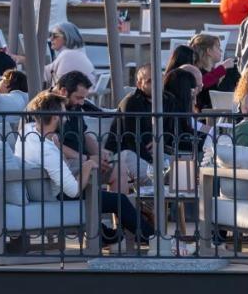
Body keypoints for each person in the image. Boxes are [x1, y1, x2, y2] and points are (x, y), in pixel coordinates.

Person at [16, 91, 162, 249]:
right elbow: (73, 191)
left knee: (110, 196)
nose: (66, 118)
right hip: (58, 195)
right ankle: (155, 239)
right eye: (63, 114)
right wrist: (87, 166)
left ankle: (107, 234)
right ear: (56, 117)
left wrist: (56, 144)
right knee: (120, 200)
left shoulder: (28, 132)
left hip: (41, 191)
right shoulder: (47, 151)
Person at [105, 66, 156, 191]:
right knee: (155, 177)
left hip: (147, 152)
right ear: (139, 83)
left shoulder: (163, 100)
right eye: (150, 81)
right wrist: (151, 160)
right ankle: (154, 209)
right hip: (124, 153)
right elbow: (131, 140)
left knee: (179, 173)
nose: (156, 84)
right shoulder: (131, 102)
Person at [42, 22, 97, 87]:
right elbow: (46, 72)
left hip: (68, 96)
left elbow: (43, 75)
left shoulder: (68, 55)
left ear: (67, 37)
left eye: (55, 36)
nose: (51, 38)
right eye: (50, 35)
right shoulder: (76, 53)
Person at [189, 32, 240, 100]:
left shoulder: (212, 71)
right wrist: (223, 68)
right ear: (209, 51)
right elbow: (202, 83)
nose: (221, 50)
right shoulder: (196, 71)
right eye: (218, 47)